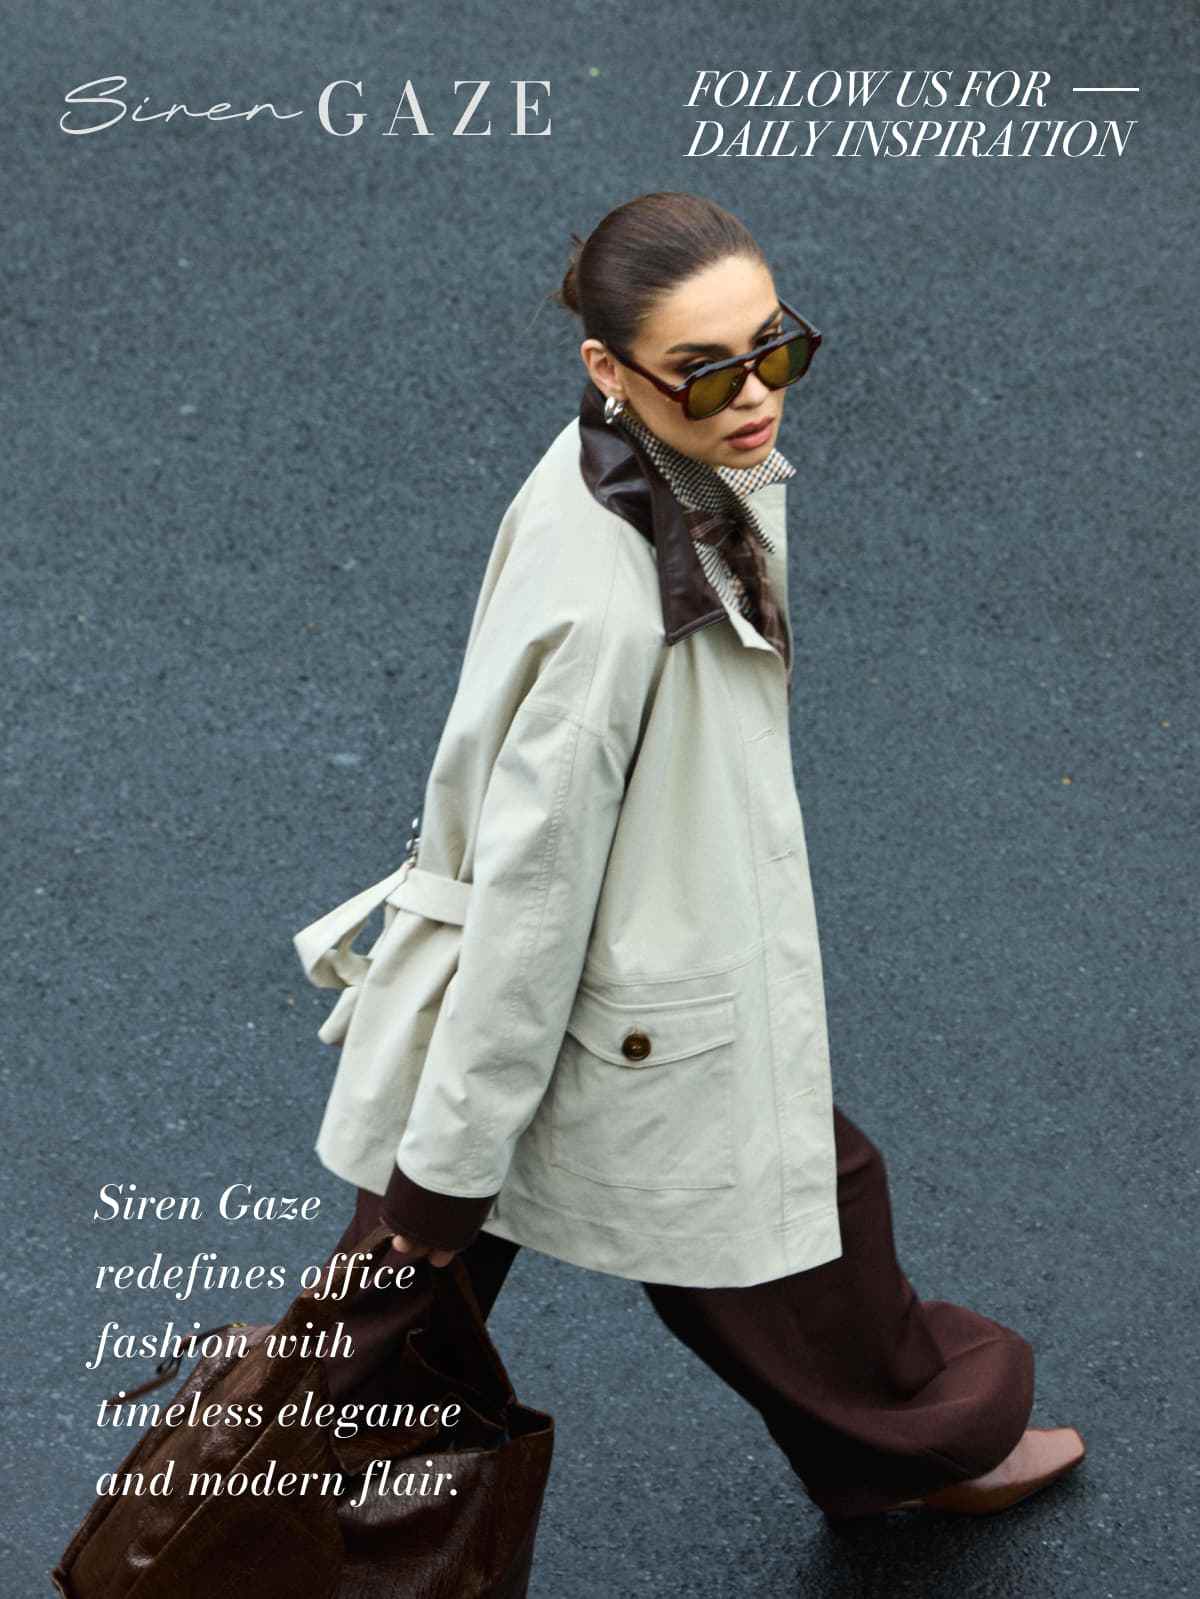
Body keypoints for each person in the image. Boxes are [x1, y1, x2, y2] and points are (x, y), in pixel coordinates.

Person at [302, 191, 1085, 1521]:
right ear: (608, 368)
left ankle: (269, 1503)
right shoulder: (612, 607)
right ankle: (247, 1522)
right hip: (615, 991)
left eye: (776, 347)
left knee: (414, 1290)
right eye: (708, 371)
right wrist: (443, 1173)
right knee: (670, 1211)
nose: (755, 396)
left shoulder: (640, 459)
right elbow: (532, 902)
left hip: (623, 968)